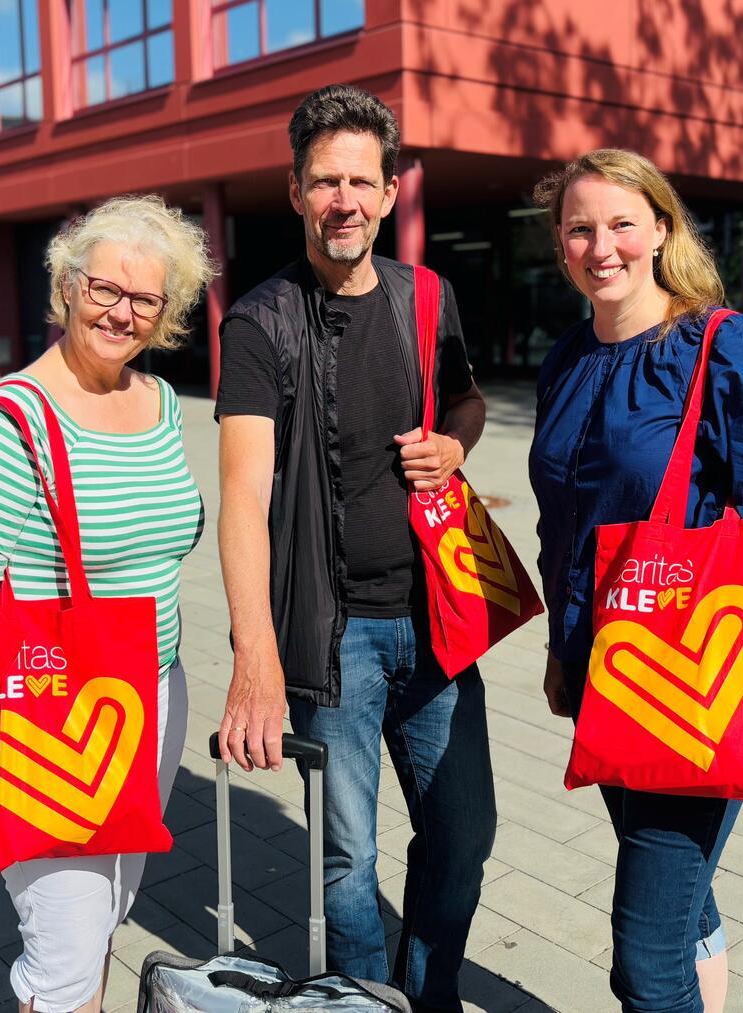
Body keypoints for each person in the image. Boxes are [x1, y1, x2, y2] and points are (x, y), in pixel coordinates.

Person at [528, 149, 743, 1013]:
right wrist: (564, 650)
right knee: (683, 904)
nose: (600, 246)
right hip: (611, 677)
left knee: (643, 959)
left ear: (661, 231)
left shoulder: (721, 346)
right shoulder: (565, 361)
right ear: (560, 244)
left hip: (697, 684)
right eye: (579, 228)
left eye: (620, 224)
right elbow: (564, 521)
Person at [213, 85, 495, 1013]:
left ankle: (428, 994)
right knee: (347, 856)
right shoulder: (259, 324)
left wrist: (454, 445)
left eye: (361, 181)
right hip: (333, 641)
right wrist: (255, 655)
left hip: (439, 621)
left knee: (462, 831)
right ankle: (367, 1002)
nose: (345, 199)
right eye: (324, 180)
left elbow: (464, 398)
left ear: (389, 191)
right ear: (295, 191)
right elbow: (244, 496)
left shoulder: (427, 296)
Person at [0, 195, 213, 1013]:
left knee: (102, 921)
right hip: (43, 712)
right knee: (62, 957)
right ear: (66, 285)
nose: (120, 312)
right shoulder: (10, 421)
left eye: (144, 299)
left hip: (147, 697)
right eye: (104, 289)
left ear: (167, 312)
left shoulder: (160, 404)